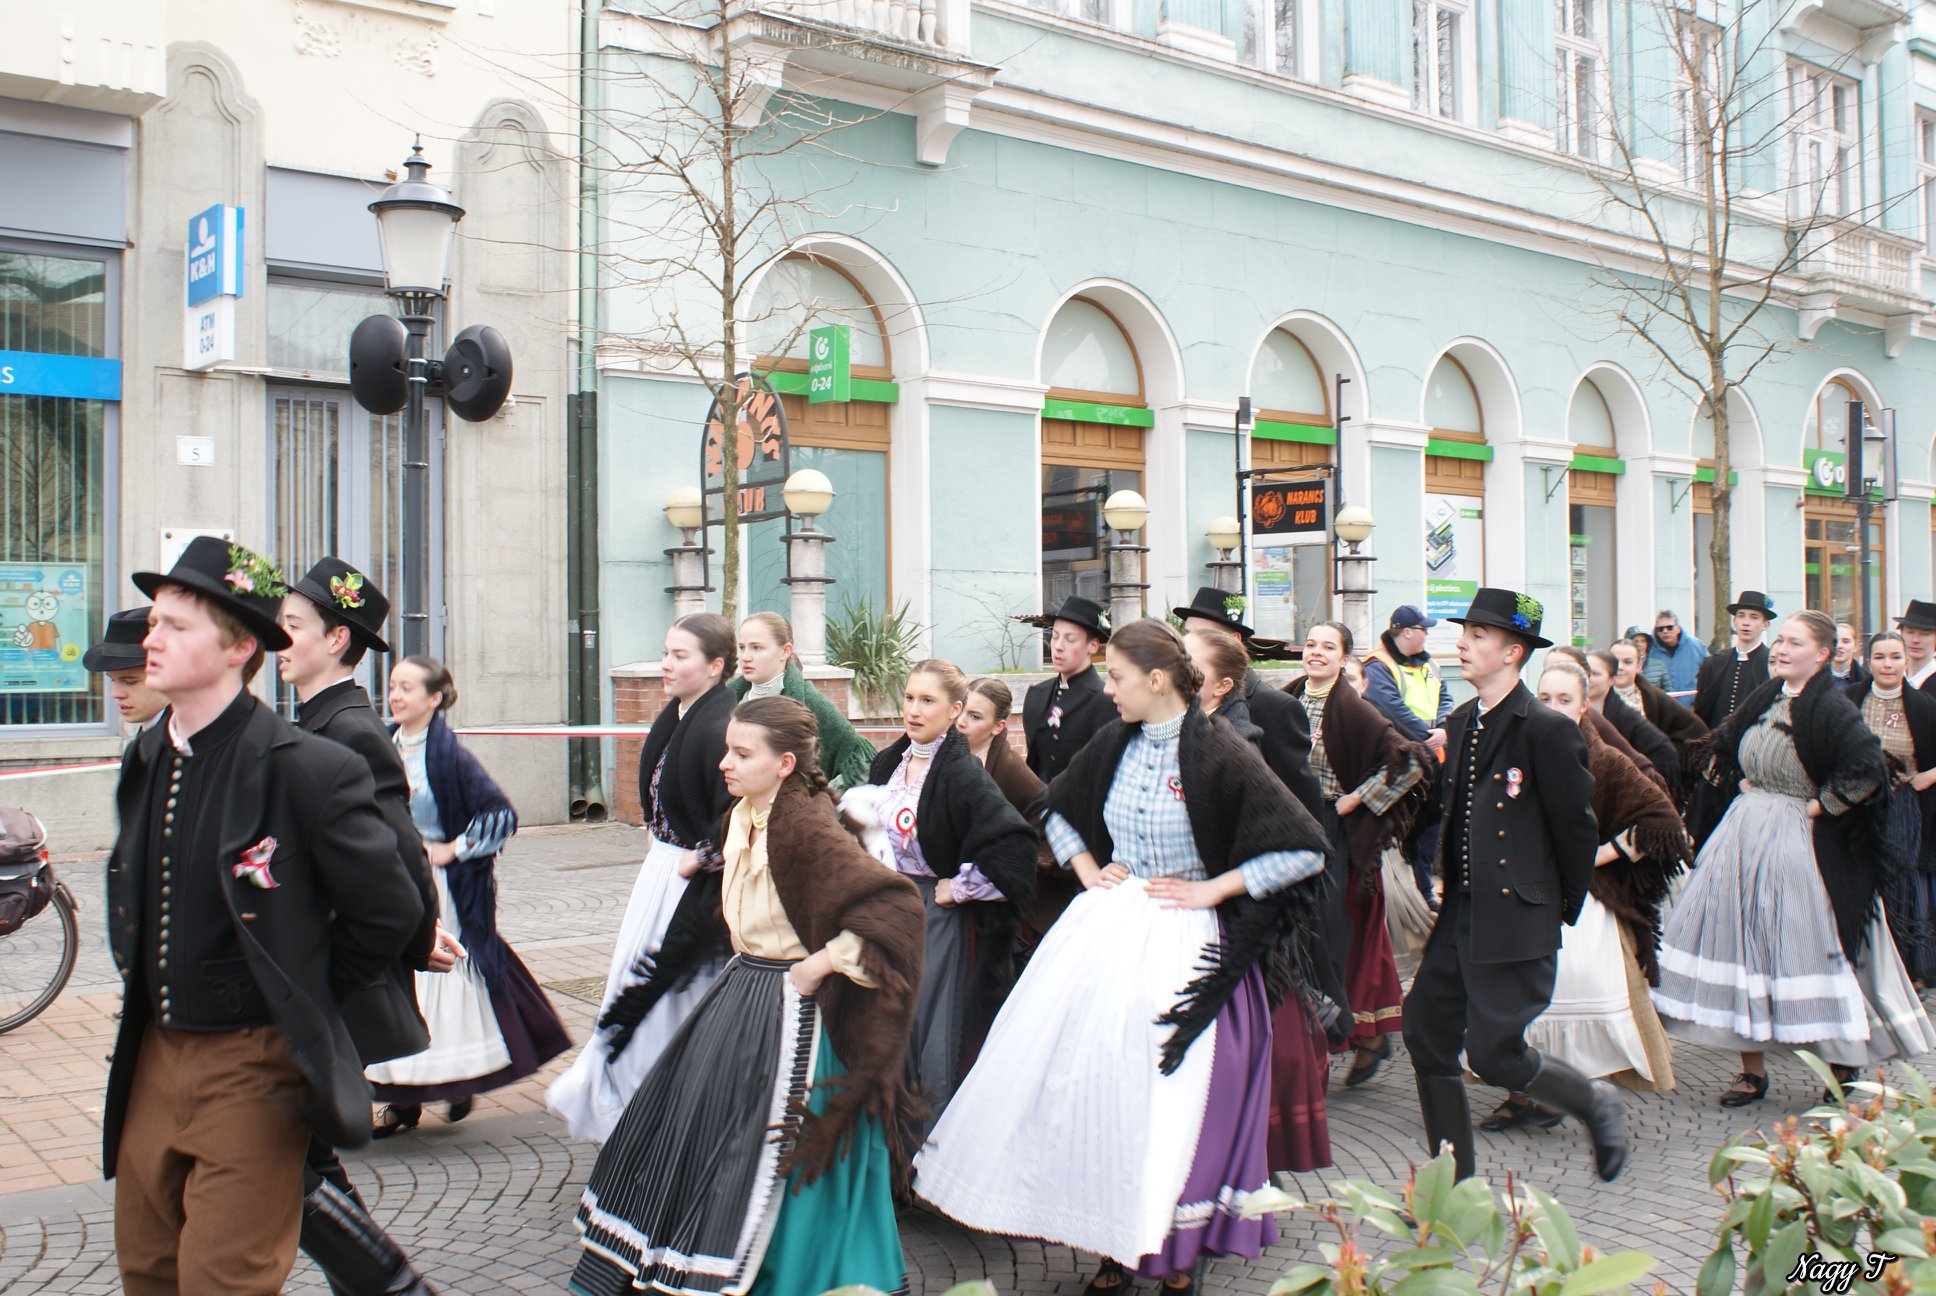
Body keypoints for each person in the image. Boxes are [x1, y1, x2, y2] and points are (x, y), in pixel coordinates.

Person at [916, 620, 1331, 1295]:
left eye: (1117, 677)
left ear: (1156, 680)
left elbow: (1304, 848)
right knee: (1097, 1087)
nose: (1108, 690)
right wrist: (1086, 868)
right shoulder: (1115, 741)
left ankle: (1171, 1249)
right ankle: (1110, 1238)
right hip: (1107, 933)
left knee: (1165, 1101)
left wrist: (1214, 888)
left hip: (1186, 944)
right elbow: (1052, 806)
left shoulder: (1220, 750)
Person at [105, 536, 424, 1295]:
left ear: (238, 647)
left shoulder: (311, 766)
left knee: (224, 1279)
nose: (151, 641)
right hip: (153, 1051)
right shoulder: (146, 758)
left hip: (254, 1060)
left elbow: (390, 908)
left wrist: (302, 994)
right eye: (154, 622)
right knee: (147, 1270)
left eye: (175, 625)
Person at [573, 697, 925, 1296]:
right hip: (744, 991)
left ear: (784, 763)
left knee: (777, 1150)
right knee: (703, 1128)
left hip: (794, 1010)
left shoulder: (807, 826)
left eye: (741, 753)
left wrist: (817, 967)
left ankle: (790, 1275)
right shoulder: (745, 814)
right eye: (727, 751)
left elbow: (897, 911)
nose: (725, 764)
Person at [1654, 611, 1936, 1107]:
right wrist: (1743, 779)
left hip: (1800, 844)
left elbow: (1867, 769)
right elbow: (1725, 743)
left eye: (1795, 643)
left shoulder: (1830, 706)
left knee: (1809, 947)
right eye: (1781, 640)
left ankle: (1840, 1064)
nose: (1782, 649)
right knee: (1742, 949)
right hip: (1743, 837)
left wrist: (1820, 805)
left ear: (1823, 654)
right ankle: (1752, 1071)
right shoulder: (1767, 695)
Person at [1399, 588, 1625, 1184]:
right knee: (1426, 1033)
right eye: (1464, 632)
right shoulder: (1461, 721)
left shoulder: (1546, 730)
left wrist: (1553, 912)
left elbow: (1577, 830)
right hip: (1462, 912)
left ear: (1512, 652)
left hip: (1517, 913)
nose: (1462, 643)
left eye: (1478, 635)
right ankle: (1452, 1190)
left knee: (1495, 1053)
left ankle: (1592, 1101)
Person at [279, 559, 449, 1296]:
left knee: (301, 1158)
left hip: (330, 973)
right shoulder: (316, 721)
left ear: (336, 639)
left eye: (291, 627)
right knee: (302, 1156)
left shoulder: (348, 728)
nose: (277, 641)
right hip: (310, 969)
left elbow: (400, 848)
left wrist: (417, 936)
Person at [547, 613, 738, 1142]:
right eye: (666, 652)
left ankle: (658, 1108)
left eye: (680, 655)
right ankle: (632, 1101)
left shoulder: (720, 726)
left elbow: (737, 817)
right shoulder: (677, 716)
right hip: (662, 871)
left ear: (715, 666)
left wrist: (703, 857)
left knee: (670, 994)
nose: (666, 664)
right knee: (637, 980)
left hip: (689, 883)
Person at [366, 656, 569, 1134]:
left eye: (407, 688)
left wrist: (452, 849)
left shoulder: (449, 755)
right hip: (392, 884)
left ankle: (452, 1080)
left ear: (434, 699)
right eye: (393, 686)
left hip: (441, 892)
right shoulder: (381, 745)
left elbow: (501, 815)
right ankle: (402, 1099)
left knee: (441, 979)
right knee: (394, 982)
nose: (395, 696)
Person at [1482, 660, 1687, 1131]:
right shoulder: (1513, 752)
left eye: (1565, 699)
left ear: (1583, 707)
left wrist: (1598, 856)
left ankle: (1556, 1096)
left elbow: (1662, 820)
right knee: (1512, 999)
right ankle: (1519, 1094)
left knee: (1565, 993)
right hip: (1519, 895)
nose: (1553, 708)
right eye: (1544, 698)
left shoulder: (1606, 761)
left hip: (1580, 904)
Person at [863, 659, 1037, 1132]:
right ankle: (887, 1142)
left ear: (955, 710)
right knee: (885, 1023)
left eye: (928, 701)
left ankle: (926, 1145)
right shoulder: (890, 762)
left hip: (934, 918)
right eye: (909, 698)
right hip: (887, 910)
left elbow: (1017, 848)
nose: (914, 710)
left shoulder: (962, 773)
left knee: (926, 1027)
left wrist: (958, 888)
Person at [1287, 621, 1434, 1090]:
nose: (1316, 652)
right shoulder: (1289, 697)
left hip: (1332, 831)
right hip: (1290, 826)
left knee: (1327, 934)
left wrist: (1358, 798)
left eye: (1328, 647)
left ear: (1344, 658)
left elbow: (1412, 762)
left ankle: (1334, 1036)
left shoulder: (1353, 709)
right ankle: (1337, 1036)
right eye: (1311, 644)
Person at [1173, 586, 1324, 820]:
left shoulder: (1276, 708)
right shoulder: (1180, 698)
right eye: (1187, 633)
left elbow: (1302, 802)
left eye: (1202, 635)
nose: (1188, 643)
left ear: (1233, 640)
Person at [1846, 631, 1936, 985]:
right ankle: (1858, 965)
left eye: (1895, 657)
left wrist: (1928, 777)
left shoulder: (1924, 706)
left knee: (1900, 880)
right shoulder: (1850, 699)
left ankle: (1906, 968)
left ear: (1905, 661)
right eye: (1880, 657)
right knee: (1858, 877)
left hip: (1902, 806)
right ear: (1868, 661)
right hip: (1856, 805)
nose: (1888, 664)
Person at [957, 676, 1071, 943]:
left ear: (997, 727)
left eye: (975, 716)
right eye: (960, 710)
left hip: (1003, 908)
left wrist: (1020, 862)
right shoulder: (953, 752)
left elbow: (1052, 810)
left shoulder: (1009, 768)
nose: (961, 722)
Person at [1363, 606, 1454, 908]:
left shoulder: (1430, 664)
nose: (1427, 635)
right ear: (1406, 632)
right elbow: (1391, 709)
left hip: (1434, 759)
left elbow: (1446, 698)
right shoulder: (1378, 665)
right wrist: (1428, 737)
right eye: (1423, 630)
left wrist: (1444, 728)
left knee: (1428, 829)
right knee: (1395, 830)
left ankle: (1424, 893)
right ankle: (1393, 900)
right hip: (1401, 760)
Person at [729, 611, 874, 790]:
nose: (745, 657)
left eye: (757, 648)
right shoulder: (726, 700)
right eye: (742, 647)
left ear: (785, 651)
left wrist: (822, 799)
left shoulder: (811, 703)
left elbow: (860, 760)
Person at [1019, 595, 1116, 782]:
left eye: (1070, 639)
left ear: (1093, 646)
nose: (1058, 646)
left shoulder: (1105, 701)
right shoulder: (1036, 695)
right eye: (1054, 637)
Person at [1590, 649, 1681, 795]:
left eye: (1595, 674)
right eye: (1585, 672)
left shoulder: (1625, 714)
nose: (1588, 678)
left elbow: (1663, 749)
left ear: (1611, 679)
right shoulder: (1582, 707)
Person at [1692, 591, 1773, 728]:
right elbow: (1702, 712)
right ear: (1734, 622)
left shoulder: (1771, 664)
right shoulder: (1714, 663)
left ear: (1765, 625)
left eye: (1754, 617)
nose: (1746, 623)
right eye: (1741, 616)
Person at [84, 607, 166, 731]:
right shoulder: (155, 731)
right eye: (112, 680)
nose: (116, 694)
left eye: (130, 682)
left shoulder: (183, 738)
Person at [1644, 610, 1707, 693]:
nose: (1665, 631)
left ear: (1678, 629)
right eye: (1660, 629)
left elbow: (1708, 674)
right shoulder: (1650, 649)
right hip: (1663, 700)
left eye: (1669, 627)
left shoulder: (1696, 646)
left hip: (1692, 700)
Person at [1895, 600, 1936, 690]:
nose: (1915, 640)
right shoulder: (1891, 678)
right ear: (1901, 634)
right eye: (1910, 632)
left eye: (1925, 634)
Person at [1830, 622, 1872, 690]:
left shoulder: (1867, 681)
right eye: (1835, 641)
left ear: (1856, 646)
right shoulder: (1814, 676)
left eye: (1845, 641)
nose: (1839, 646)